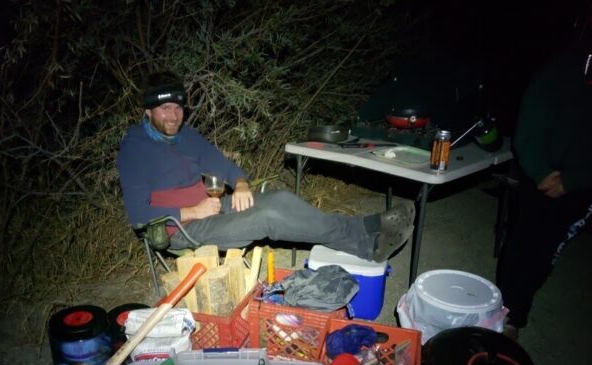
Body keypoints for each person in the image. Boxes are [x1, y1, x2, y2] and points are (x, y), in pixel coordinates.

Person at [116, 72, 415, 264]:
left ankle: (367, 243)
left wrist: (242, 183)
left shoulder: (187, 136)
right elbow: (139, 216)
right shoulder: (135, 149)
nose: (173, 116)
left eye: (178, 107)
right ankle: (367, 233)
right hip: (179, 227)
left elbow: (221, 164)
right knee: (268, 218)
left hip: (211, 207)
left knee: (280, 199)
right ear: (148, 112)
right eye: (164, 109)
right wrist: (194, 211)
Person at [496, 0, 592, 339]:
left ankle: (513, 315)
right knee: (521, 239)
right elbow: (532, 118)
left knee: (548, 245)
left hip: (590, 182)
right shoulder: (567, 63)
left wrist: (574, 179)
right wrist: (538, 169)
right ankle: (505, 314)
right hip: (542, 172)